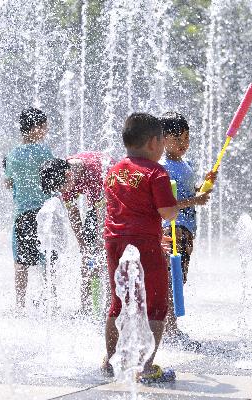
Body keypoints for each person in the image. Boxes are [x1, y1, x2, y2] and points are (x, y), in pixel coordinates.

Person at [101, 113, 212, 382]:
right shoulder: (155, 172)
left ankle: (109, 361)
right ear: (153, 142)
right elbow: (168, 213)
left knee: (118, 302)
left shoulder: (114, 171)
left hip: (114, 241)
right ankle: (146, 368)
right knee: (156, 304)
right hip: (145, 244)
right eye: (163, 141)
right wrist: (186, 204)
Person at [158, 112, 216, 349]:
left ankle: (168, 326)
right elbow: (166, 204)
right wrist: (196, 201)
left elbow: (191, 191)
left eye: (186, 138)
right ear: (162, 139)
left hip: (187, 229)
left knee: (179, 278)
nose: (183, 143)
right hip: (171, 228)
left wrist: (205, 183)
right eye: (177, 139)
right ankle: (170, 329)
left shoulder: (185, 164)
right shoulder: (163, 167)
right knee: (171, 280)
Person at [40, 152, 115, 316]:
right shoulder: (64, 173)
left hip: (115, 202)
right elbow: (73, 212)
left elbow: (103, 215)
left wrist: (99, 244)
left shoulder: (97, 172)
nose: (62, 192)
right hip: (96, 204)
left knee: (107, 256)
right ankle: (85, 308)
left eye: (62, 189)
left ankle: (111, 308)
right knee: (88, 256)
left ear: (68, 176)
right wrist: (83, 246)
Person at [4, 107, 54, 311]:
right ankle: (51, 300)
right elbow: (52, 175)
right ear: (34, 128)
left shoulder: (12, 154)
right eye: (43, 126)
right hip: (43, 214)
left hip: (22, 214)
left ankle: (20, 305)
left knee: (21, 262)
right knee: (47, 259)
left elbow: (7, 183)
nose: (46, 130)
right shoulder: (44, 151)